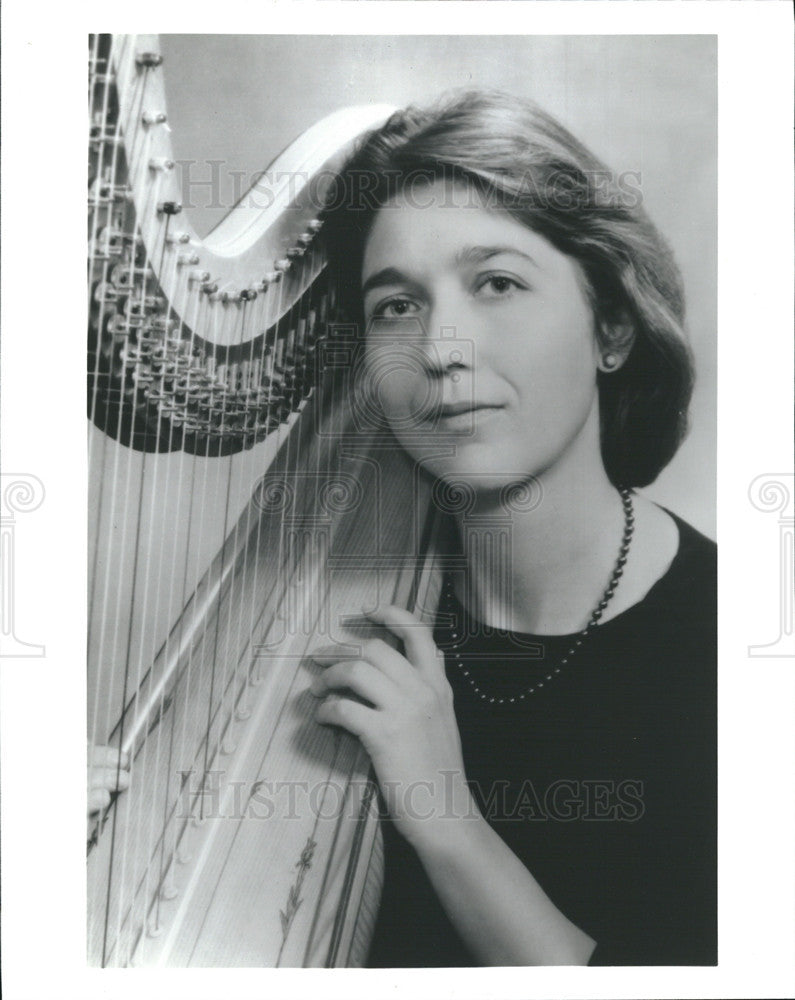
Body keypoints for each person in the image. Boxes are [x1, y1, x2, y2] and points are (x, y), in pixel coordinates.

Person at [310, 90, 717, 966]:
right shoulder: (339, 619)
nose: (441, 348)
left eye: (495, 283)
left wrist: (447, 818)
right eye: (396, 306)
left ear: (610, 327)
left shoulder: (736, 652)